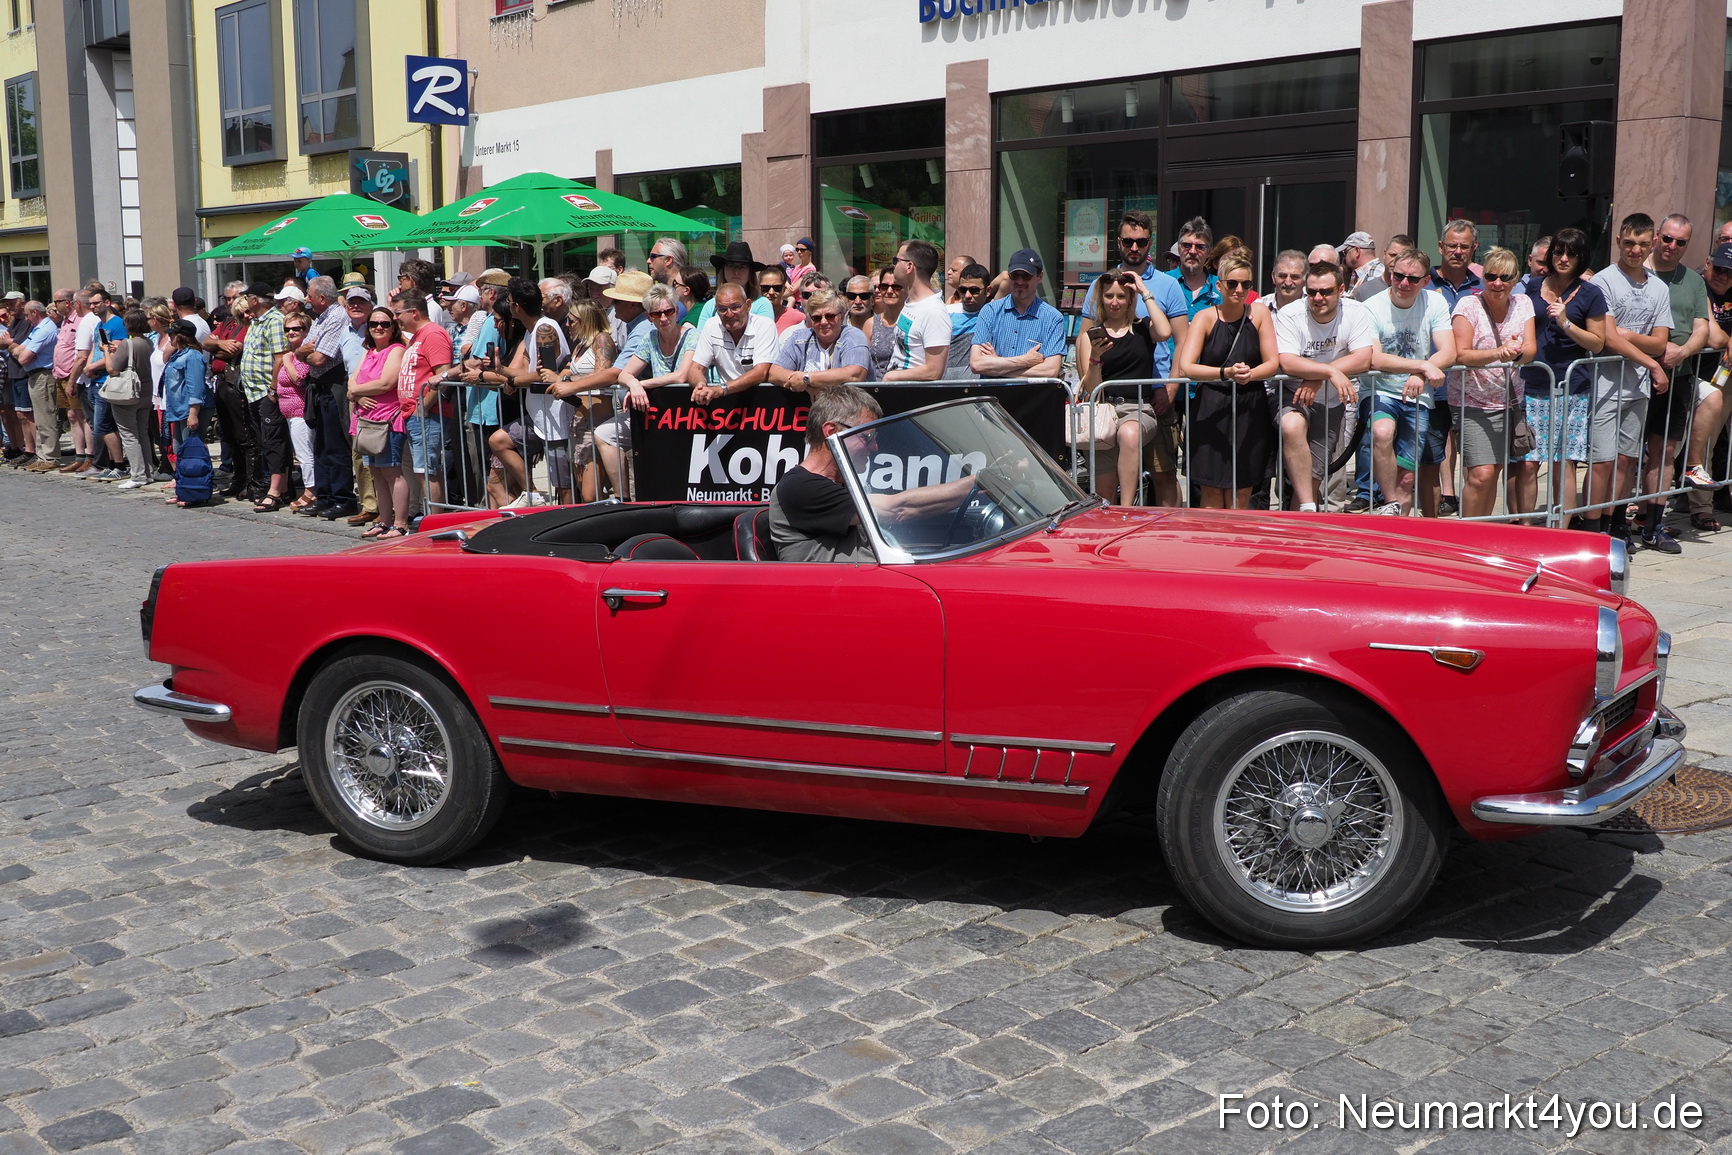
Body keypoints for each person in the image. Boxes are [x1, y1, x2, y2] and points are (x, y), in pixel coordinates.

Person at [766, 385, 974, 563]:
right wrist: (979, 481)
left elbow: (908, 513)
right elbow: (896, 508)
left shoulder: (838, 483)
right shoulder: (801, 487)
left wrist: (983, 493)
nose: (875, 447)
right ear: (832, 432)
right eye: (867, 437)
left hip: (863, 587)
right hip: (834, 600)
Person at [1580, 214, 1669, 542]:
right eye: (1629, 242)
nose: (1635, 250)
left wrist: (1629, 335)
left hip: (1636, 387)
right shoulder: (1603, 281)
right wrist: (1654, 364)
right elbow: (1609, 338)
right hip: (1605, 384)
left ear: (1653, 243)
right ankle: (1592, 528)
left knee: (1625, 460)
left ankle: (1613, 521)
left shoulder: (1658, 288)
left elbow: (1660, 340)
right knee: (1601, 461)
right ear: (1618, 240)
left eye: (1643, 244)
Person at [1517, 226, 1607, 526]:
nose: (1564, 258)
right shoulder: (1533, 285)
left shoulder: (1591, 293)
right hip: (1532, 384)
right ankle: (1527, 528)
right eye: (1559, 251)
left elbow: (1597, 341)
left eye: (1571, 253)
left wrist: (1567, 323)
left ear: (1582, 258)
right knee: (1528, 463)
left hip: (1572, 387)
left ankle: (1561, 532)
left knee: (1562, 462)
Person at [1175, 255, 1280, 509]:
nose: (1240, 290)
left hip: (1250, 406)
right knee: (1210, 492)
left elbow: (1272, 362)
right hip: (1211, 406)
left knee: (1242, 493)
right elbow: (1186, 366)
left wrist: (1249, 374)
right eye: (1232, 284)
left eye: (1246, 284)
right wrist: (1225, 373)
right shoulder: (1204, 318)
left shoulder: (1260, 313)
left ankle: (1238, 545)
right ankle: (1211, 547)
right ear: (1219, 286)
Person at [1361, 248, 1457, 517]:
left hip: (1418, 396)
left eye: (1412, 279)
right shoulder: (1372, 306)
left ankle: (1396, 529)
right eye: (1398, 275)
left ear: (1425, 281)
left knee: (1407, 478)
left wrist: (1420, 373)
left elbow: (1449, 351)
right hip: (1379, 390)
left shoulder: (1435, 303)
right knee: (1382, 433)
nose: (1403, 283)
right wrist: (1422, 365)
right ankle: (1389, 501)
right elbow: (1374, 358)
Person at [1275, 263, 1376, 512]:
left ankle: (1301, 531)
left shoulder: (1355, 311)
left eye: (1326, 291)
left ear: (1341, 289)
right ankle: (1309, 508)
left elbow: (1363, 357)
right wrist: (1330, 371)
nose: (1317, 298)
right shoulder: (1290, 314)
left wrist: (1317, 377)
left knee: (1312, 479)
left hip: (1331, 402)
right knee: (1292, 425)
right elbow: (1287, 362)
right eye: (1311, 292)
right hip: (1294, 395)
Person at [575, 284, 688, 498]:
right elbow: (623, 373)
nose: (663, 318)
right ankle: (623, 499)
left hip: (687, 413)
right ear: (649, 316)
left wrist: (641, 384)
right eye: (657, 313)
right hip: (658, 412)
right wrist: (633, 383)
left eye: (668, 311)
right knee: (605, 434)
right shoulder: (650, 337)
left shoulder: (690, 334)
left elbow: (680, 376)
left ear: (675, 309)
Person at [1640, 212, 1711, 553]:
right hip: (1631, 375)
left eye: (1680, 242)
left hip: (1677, 376)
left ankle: (1653, 524)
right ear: (1656, 236)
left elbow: (1702, 329)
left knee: (1665, 450)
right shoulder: (1636, 270)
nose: (1671, 246)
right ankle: (1616, 523)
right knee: (1622, 455)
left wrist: (1681, 351)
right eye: (1667, 238)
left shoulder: (1694, 282)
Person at [1078, 271, 1180, 504]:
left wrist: (1144, 291)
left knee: (1129, 433)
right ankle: (1111, 525)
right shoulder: (1090, 336)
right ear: (1101, 298)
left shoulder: (1143, 328)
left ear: (1130, 298)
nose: (1115, 302)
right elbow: (1091, 388)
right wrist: (1095, 357)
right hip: (1103, 413)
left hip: (1138, 409)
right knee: (1104, 494)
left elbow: (1165, 332)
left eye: (1121, 296)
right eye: (1109, 296)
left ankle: (1128, 511)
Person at [1449, 247, 1536, 519]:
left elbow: (1531, 349)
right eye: (1491, 276)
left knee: (1494, 471)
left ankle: (1482, 531)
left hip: (1508, 402)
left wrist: (1517, 352)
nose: (1497, 283)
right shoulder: (1467, 305)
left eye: (1505, 277)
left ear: (1516, 279)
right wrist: (1499, 353)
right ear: (1482, 277)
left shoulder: (1523, 304)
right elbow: (1461, 354)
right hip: (1471, 402)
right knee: (1481, 474)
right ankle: (1466, 536)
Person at [1684, 240, 1732, 532]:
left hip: (1725, 376)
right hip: (1701, 376)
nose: (1724, 276)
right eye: (1719, 268)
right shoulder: (1696, 285)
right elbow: (1714, 338)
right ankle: (1701, 508)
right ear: (1708, 263)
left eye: (1731, 272)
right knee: (1704, 444)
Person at [349, 308, 409, 539]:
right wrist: (356, 394)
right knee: (376, 471)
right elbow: (351, 381)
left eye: (384, 323)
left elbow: (386, 383)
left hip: (387, 420)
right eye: (374, 323)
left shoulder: (396, 350)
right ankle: (384, 521)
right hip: (366, 421)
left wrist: (355, 390)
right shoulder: (369, 351)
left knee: (392, 471)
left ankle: (400, 523)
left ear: (393, 327)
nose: (379, 328)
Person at [237, 283, 293, 512]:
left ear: (255, 300)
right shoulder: (256, 322)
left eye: (248, 297)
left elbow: (280, 358)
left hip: (267, 393)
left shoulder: (274, 321)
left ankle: (276, 491)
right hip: (253, 392)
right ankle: (281, 487)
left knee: (274, 441)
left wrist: (272, 390)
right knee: (264, 441)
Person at [970, 249, 1065, 380]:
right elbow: (977, 364)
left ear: (1040, 277)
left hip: (1033, 398)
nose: (1020, 281)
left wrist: (997, 365)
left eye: (1026, 276)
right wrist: (1025, 361)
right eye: (1014, 275)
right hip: (993, 397)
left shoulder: (1053, 318)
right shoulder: (990, 311)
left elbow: (1050, 371)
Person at [688, 283, 781, 402]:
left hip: (761, 402)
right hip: (726, 402)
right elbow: (695, 368)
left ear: (748, 306)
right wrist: (701, 386)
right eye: (722, 309)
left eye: (735, 307)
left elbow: (761, 372)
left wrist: (722, 389)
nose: (729, 314)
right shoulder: (711, 325)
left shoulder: (764, 325)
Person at [768, 287, 871, 393]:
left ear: (842, 316)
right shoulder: (799, 338)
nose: (823, 322)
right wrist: (808, 387)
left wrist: (807, 378)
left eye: (830, 316)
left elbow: (855, 374)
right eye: (817, 318)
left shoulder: (854, 336)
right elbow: (774, 373)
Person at [883, 240, 950, 382]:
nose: (893, 265)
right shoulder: (910, 303)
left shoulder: (933, 312)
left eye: (896, 260)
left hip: (914, 396)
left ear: (909, 266)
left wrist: (891, 376)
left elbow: (934, 371)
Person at [105, 310, 157, 491]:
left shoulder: (128, 343)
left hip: (129, 393)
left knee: (129, 435)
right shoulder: (149, 342)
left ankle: (137, 474)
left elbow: (112, 369)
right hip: (146, 390)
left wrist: (106, 352)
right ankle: (148, 471)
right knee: (142, 431)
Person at [158, 319, 209, 502]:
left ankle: (194, 492)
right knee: (180, 452)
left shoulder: (193, 356)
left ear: (181, 336)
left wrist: (193, 413)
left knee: (191, 455)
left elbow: (195, 387)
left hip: (188, 411)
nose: (169, 336)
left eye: (172, 334)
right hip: (176, 410)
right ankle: (182, 489)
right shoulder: (177, 355)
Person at [276, 312, 316, 509]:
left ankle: (311, 490)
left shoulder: (302, 355)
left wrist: (288, 361)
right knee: (300, 453)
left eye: (296, 328)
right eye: (287, 329)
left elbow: (299, 379)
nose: (290, 332)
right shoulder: (289, 353)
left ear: (306, 331)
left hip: (301, 413)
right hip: (289, 414)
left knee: (305, 453)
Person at [20, 298, 65, 472]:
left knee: (46, 417)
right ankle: (42, 455)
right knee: (39, 419)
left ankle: (51, 456)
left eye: (27, 315)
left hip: (43, 376)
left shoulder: (45, 329)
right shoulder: (37, 329)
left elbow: (22, 356)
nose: (26, 319)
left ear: (35, 313)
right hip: (34, 375)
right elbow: (18, 351)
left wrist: (24, 354)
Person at [695, 241, 775, 330]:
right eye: (731, 266)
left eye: (742, 267)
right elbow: (701, 338)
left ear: (750, 272)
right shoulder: (710, 306)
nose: (736, 272)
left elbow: (764, 336)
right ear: (724, 269)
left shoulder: (762, 304)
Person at [1170, 217, 1221, 319]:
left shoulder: (1221, 287)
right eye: (1187, 245)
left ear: (1209, 252)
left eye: (1200, 247)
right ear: (1179, 248)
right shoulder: (1164, 282)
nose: (1193, 251)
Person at [946, 263, 992, 374]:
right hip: (944, 386)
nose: (967, 295)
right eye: (962, 290)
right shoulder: (945, 313)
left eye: (974, 290)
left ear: (988, 291)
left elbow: (1005, 278)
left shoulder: (992, 314)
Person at [1351, 236, 1415, 303]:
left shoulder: (1415, 291)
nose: (1396, 261)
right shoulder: (1364, 290)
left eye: (1402, 257)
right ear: (1384, 254)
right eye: (1393, 255)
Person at [865, 267, 900, 380]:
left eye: (895, 286)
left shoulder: (914, 321)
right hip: (875, 388)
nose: (889, 291)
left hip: (904, 387)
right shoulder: (870, 324)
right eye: (884, 287)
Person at [759, 266, 805, 338]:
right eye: (765, 288)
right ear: (758, 289)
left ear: (784, 289)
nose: (771, 292)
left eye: (777, 288)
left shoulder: (797, 317)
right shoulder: (751, 316)